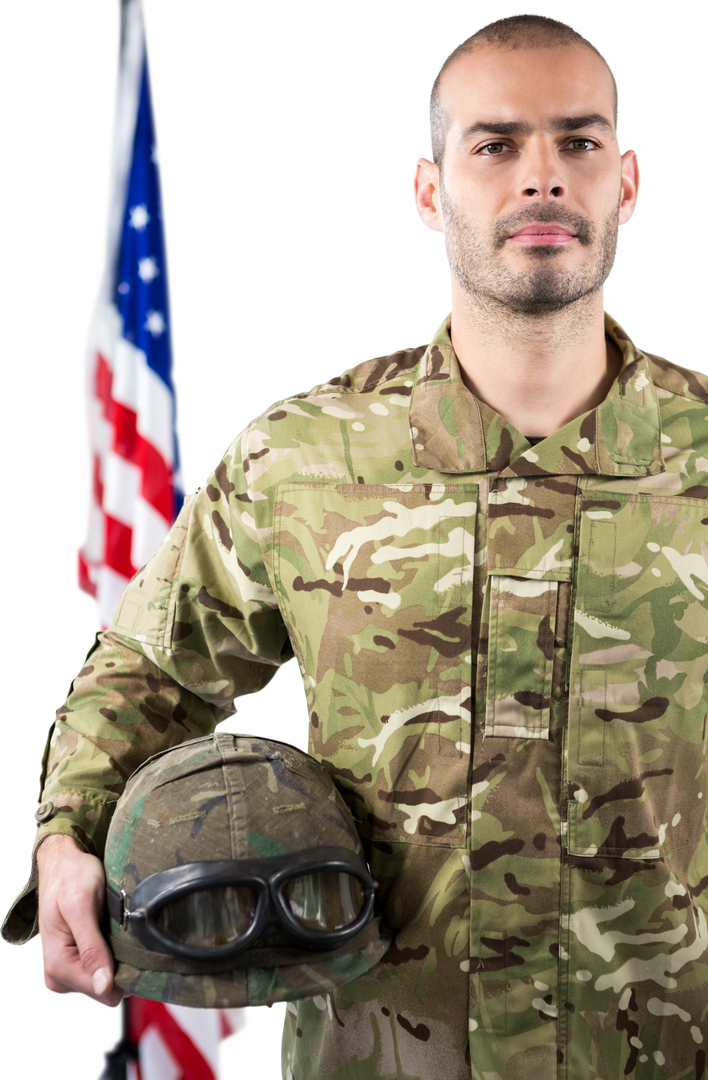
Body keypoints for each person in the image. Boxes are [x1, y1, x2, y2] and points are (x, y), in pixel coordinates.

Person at [3, 11, 707, 1080]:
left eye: (580, 142)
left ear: (629, 185)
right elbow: (148, 669)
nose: (542, 178)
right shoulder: (302, 458)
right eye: (495, 144)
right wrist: (67, 834)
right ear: (430, 192)